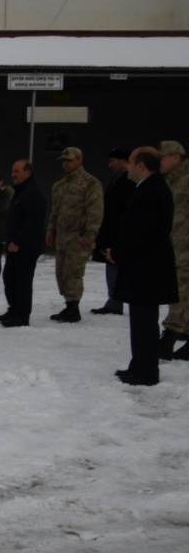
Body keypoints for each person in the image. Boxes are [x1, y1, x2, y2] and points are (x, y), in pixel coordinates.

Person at [108, 147, 178, 386]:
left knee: (145, 320)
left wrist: (117, 251)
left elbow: (138, 231)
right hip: (144, 265)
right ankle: (139, 365)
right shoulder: (149, 188)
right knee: (140, 319)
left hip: (147, 266)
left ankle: (146, 371)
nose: (127, 167)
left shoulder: (151, 190)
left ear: (141, 166)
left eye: (130, 162)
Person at [44, 146, 103, 323]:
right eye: (64, 160)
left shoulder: (90, 183)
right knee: (61, 273)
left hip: (79, 237)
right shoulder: (59, 185)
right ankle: (69, 303)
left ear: (79, 161)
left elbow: (95, 211)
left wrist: (90, 233)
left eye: (69, 160)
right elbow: (55, 211)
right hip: (63, 237)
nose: (66, 163)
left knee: (73, 272)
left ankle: (73, 307)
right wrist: (51, 230)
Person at [0, 159, 46, 328]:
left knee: (22, 281)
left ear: (28, 172)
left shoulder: (34, 193)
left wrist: (18, 241)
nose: (13, 174)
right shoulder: (20, 191)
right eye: (12, 171)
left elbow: (33, 222)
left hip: (25, 247)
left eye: (17, 171)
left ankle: (22, 315)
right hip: (14, 246)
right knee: (10, 278)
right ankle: (14, 309)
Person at [91, 148, 136, 315]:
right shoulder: (118, 179)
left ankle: (116, 301)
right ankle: (114, 300)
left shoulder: (129, 181)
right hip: (112, 232)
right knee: (112, 267)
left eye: (113, 161)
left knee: (116, 267)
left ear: (124, 161)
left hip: (119, 233)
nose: (110, 165)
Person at [154, 140, 188, 359]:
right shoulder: (170, 182)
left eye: (163, 158)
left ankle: (169, 336)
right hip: (175, 248)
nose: (160, 163)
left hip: (186, 250)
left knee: (181, 292)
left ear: (175, 157)